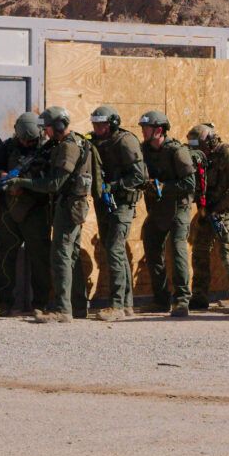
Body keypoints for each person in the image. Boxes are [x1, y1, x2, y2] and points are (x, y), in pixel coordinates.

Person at [2, 106, 91, 323]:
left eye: (48, 128)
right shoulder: (70, 143)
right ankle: (76, 306)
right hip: (70, 205)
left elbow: (54, 184)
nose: (46, 134)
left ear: (59, 126)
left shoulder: (69, 148)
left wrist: (22, 182)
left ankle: (63, 309)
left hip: (69, 206)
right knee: (70, 256)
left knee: (61, 254)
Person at [0, 112, 52, 316]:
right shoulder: (8, 147)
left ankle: (40, 303)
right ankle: (4, 302)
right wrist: (2, 175)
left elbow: (52, 181)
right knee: (7, 256)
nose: (26, 143)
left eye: (30, 140)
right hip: (10, 210)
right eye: (23, 139)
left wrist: (26, 186)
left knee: (39, 258)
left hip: (36, 210)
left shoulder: (47, 150)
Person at [187, 123, 229, 315]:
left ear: (208, 141)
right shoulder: (200, 158)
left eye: (198, 145)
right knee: (199, 249)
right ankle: (199, 296)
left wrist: (217, 208)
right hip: (209, 211)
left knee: (227, 251)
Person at [89, 105, 146, 321]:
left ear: (112, 123)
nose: (97, 127)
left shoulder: (125, 141)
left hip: (122, 203)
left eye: (101, 124)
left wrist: (114, 186)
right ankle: (126, 304)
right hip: (105, 203)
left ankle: (117, 305)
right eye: (94, 123)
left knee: (114, 249)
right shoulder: (95, 141)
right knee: (115, 250)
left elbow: (139, 176)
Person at [139, 111, 196, 317]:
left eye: (146, 128)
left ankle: (181, 300)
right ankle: (161, 299)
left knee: (177, 249)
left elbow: (190, 184)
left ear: (159, 130)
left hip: (178, 207)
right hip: (158, 208)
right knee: (151, 245)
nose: (143, 131)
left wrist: (165, 186)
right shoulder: (143, 149)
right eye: (143, 127)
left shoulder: (176, 151)